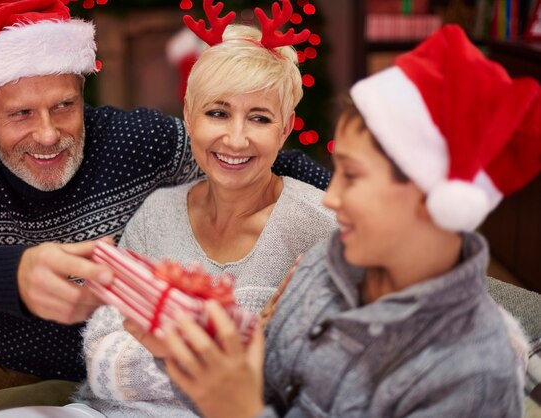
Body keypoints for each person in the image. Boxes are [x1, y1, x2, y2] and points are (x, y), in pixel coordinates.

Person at [0, 0, 331, 416]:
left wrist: (360, 206)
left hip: (79, 382)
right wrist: (13, 276)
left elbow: (249, 162)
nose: (47, 134)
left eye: (64, 106)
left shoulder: (135, 143)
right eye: (21, 113)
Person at [157, 25, 541, 417]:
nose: (332, 197)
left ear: (428, 198)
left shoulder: (471, 374)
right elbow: (261, 381)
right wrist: (190, 351)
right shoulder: (322, 265)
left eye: (353, 176)